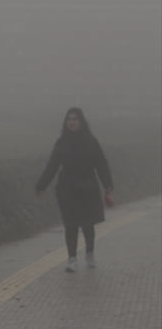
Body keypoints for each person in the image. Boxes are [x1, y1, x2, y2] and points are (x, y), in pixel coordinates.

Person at [35, 107, 114, 272]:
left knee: (87, 224)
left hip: (88, 187)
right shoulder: (61, 142)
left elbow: (101, 163)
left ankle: (90, 253)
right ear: (65, 122)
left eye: (75, 119)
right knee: (70, 224)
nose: (71, 122)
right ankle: (71, 259)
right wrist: (41, 185)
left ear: (81, 122)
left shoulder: (91, 141)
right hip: (67, 189)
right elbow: (52, 165)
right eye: (69, 119)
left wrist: (108, 186)